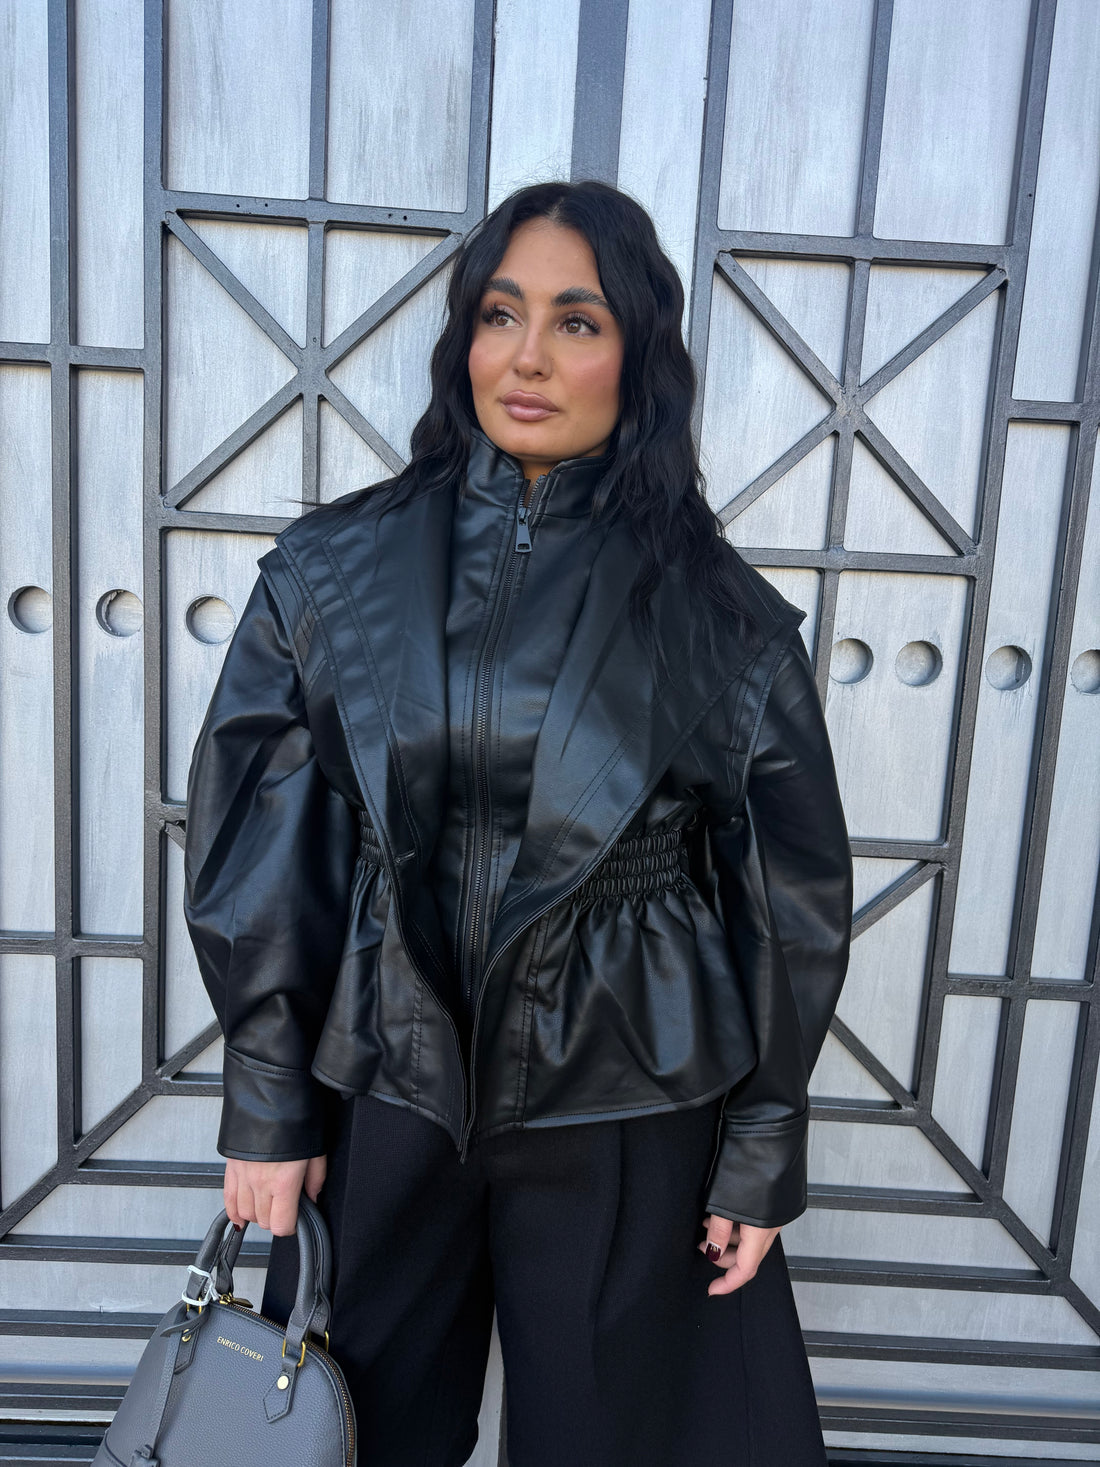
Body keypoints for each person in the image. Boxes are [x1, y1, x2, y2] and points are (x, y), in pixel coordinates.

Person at [183, 179, 854, 1467]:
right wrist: (267, 1099)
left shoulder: (724, 622)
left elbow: (790, 903)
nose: (528, 356)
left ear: (639, 360)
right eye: (501, 314)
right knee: (347, 1431)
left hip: (626, 1093)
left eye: (577, 321)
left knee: (612, 1440)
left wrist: (763, 1139)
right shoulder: (330, 576)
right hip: (384, 1080)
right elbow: (261, 846)